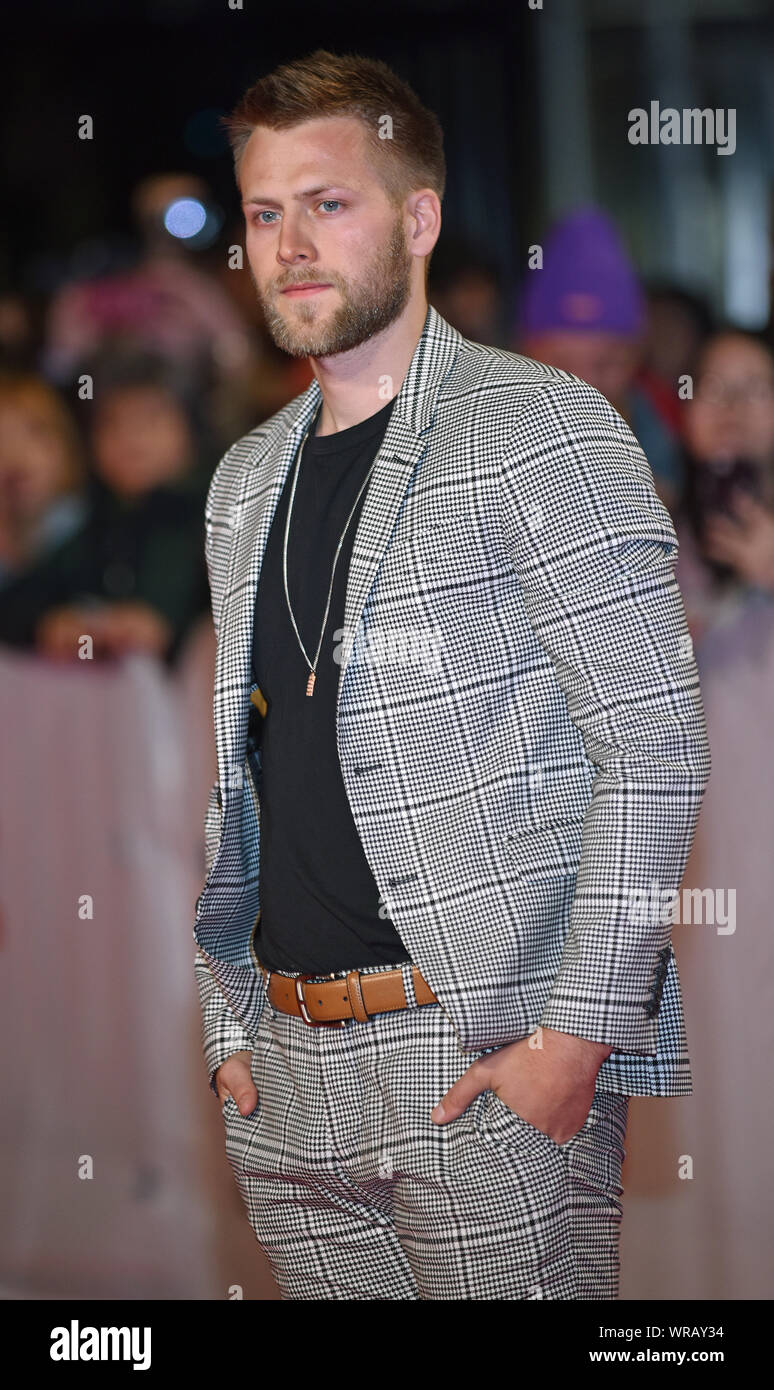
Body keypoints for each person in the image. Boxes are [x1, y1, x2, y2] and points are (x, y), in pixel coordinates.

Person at [193, 48, 711, 1301]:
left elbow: (651, 748)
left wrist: (576, 1036)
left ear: (418, 217)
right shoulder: (243, 479)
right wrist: (227, 1028)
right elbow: (249, 774)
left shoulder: (538, 426)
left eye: (330, 202)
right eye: (266, 213)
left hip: (481, 1055)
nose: (291, 244)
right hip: (289, 1072)